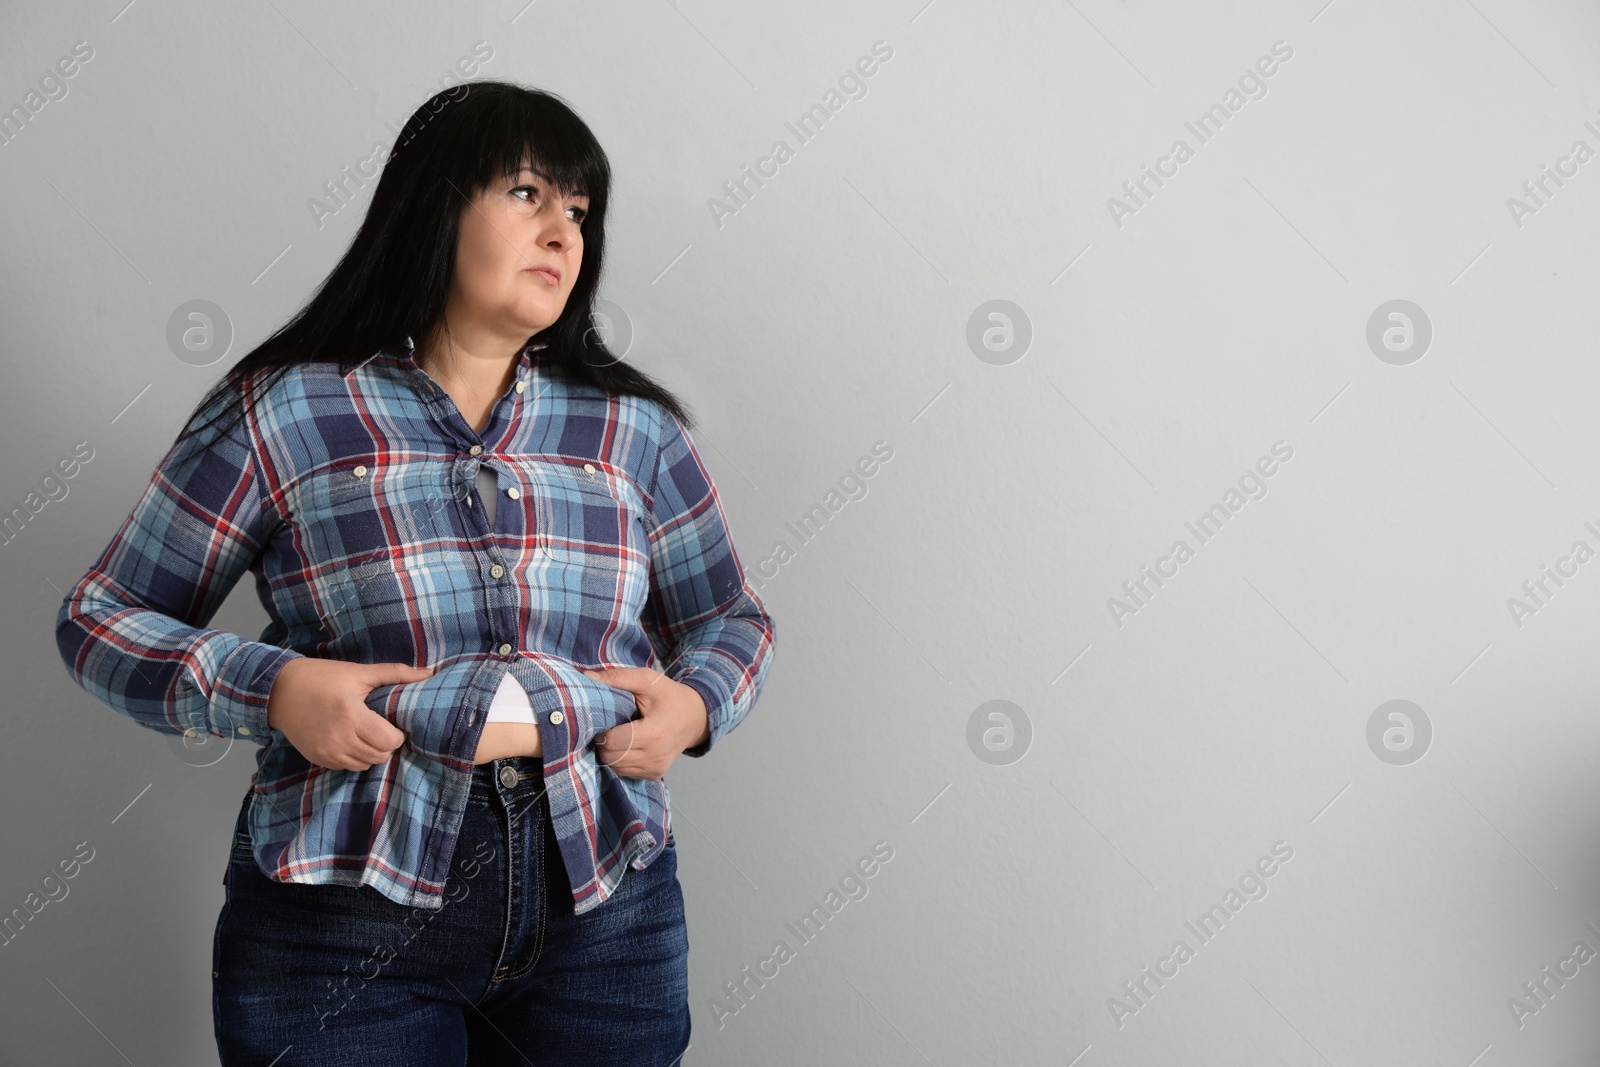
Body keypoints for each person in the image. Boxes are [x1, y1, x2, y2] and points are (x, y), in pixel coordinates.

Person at [53, 79, 776, 1064]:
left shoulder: (632, 429)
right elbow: (102, 615)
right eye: (528, 194)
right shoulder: (286, 410)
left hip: (604, 904)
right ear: (436, 203)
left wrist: (695, 706)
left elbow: (732, 616)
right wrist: (272, 688)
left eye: (578, 210)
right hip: (343, 909)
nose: (562, 232)